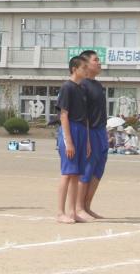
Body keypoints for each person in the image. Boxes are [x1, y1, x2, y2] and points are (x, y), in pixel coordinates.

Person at [56, 55, 92, 224]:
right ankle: (60, 212)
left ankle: (72, 212)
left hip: (82, 131)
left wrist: (87, 142)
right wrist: (68, 141)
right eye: (83, 68)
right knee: (67, 173)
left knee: (76, 174)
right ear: (74, 69)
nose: (86, 70)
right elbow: (64, 115)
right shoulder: (67, 87)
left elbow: (85, 117)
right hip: (70, 129)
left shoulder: (82, 89)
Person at [79, 50, 109, 218]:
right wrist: (88, 138)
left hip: (101, 132)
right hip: (89, 132)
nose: (99, 63)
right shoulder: (82, 85)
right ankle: (79, 207)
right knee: (87, 170)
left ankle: (87, 205)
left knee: (98, 170)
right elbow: (84, 114)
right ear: (86, 64)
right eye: (96, 60)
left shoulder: (98, 85)